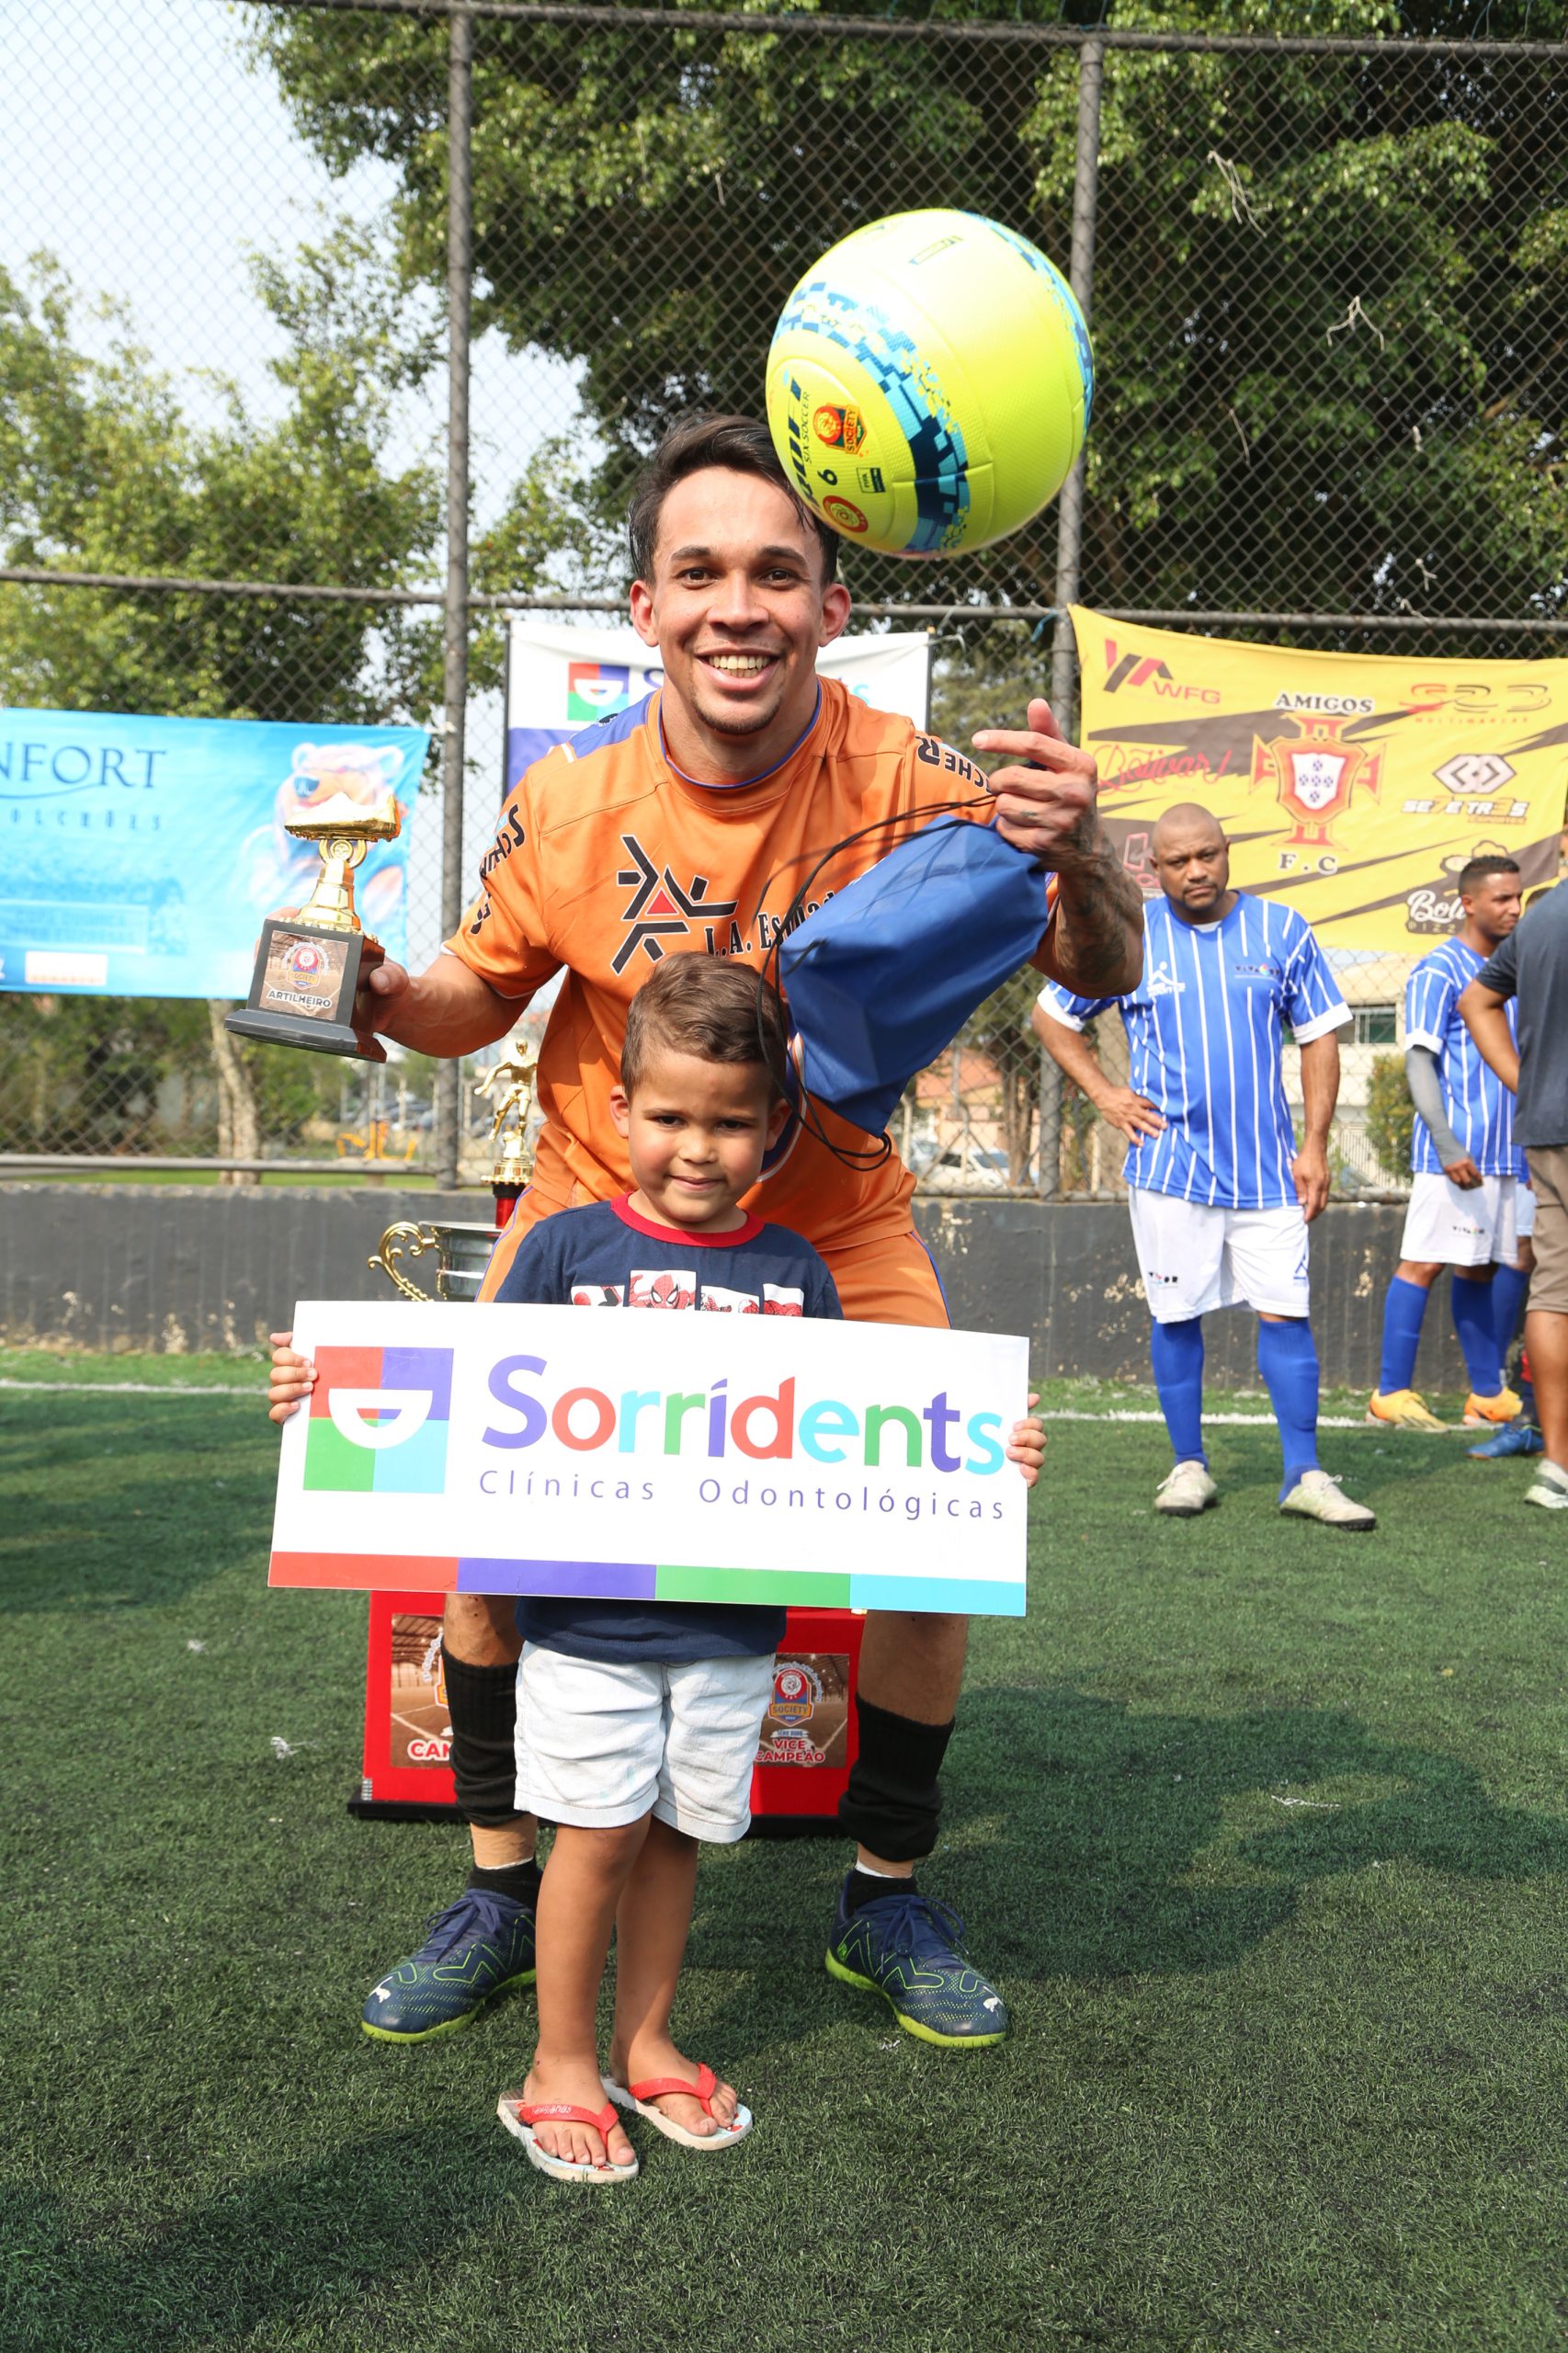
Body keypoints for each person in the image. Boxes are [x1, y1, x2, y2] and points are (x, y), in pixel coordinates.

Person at [270, 412, 1143, 2052]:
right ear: (643, 609)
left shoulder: (912, 777)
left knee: (933, 1531)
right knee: (489, 1540)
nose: (738, 604)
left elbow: (1093, 971)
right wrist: (386, 994)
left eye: (776, 573)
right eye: (702, 574)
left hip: (835, 1222)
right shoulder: (573, 794)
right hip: (599, 1214)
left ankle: (884, 1891)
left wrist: (1084, 851)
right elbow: (481, 992)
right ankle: (500, 1885)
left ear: (825, 605)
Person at [273, 959, 1047, 2177]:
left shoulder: (795, 1271)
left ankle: (645, 2045)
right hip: (586, 1631)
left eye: (732, 1123)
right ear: (618, 1111)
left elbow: (853, 1442)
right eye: (674, 1118)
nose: (699, 1148)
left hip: (731, 1632)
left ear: (777, 1128)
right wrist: (325, 1399)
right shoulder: (563, 1251)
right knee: (591, 1833)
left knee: (679, 1832)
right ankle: (556, 2067)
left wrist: (975, 1457)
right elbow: (468, 1406)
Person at [1031, 802, 1375, 1529]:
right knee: (1176, 1315)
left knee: (1287, 1314)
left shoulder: (1282, 930)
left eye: (1208, 855)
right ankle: (1189, 1465)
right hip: (1170, 1170)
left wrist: (1314, 1145)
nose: (1197, 871)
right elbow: (1052, 1016)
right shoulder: (1129, 937)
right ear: (1152, 869)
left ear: (1227, 852)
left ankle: (1305, 1473)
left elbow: (1318, 1037)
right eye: (1179, 861)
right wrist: (1104, 1094)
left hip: (1267, 1171)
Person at [1368, 857, 1532, 1436]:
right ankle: (1389, 1393)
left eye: (1518, 898)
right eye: (1502, 899)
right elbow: (1419, 1060)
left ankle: (1487, 1394)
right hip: (1459, 1153)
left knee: (1484, 1270)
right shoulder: (1440, 969)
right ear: (1468, 903)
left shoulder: (1515, 968)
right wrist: (1445, 1140)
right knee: (1424, 1264)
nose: (1514, 908)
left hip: (1509, 1153)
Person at [1460, 880, 1568, 1508]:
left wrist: (1528, 1089)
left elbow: (1478, 1000)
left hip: (1547, 1130)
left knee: (1554, 1294)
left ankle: (1558, 1467)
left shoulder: (1541, 916)